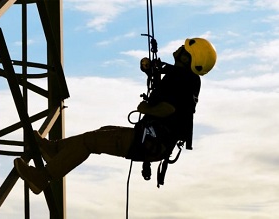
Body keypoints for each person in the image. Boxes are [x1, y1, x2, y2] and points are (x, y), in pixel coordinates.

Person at [14, 38, 217, 194]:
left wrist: (147, 109)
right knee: (102, 133)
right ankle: (55, 150)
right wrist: (150, 68)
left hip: (150, 141)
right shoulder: (186, 78)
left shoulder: (182, 79)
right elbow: (169, 84)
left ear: (187, 58)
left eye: (185, 49)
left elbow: (169, 108)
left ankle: (43, 177)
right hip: (153, 140)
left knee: (90, 142)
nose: (181, 48)